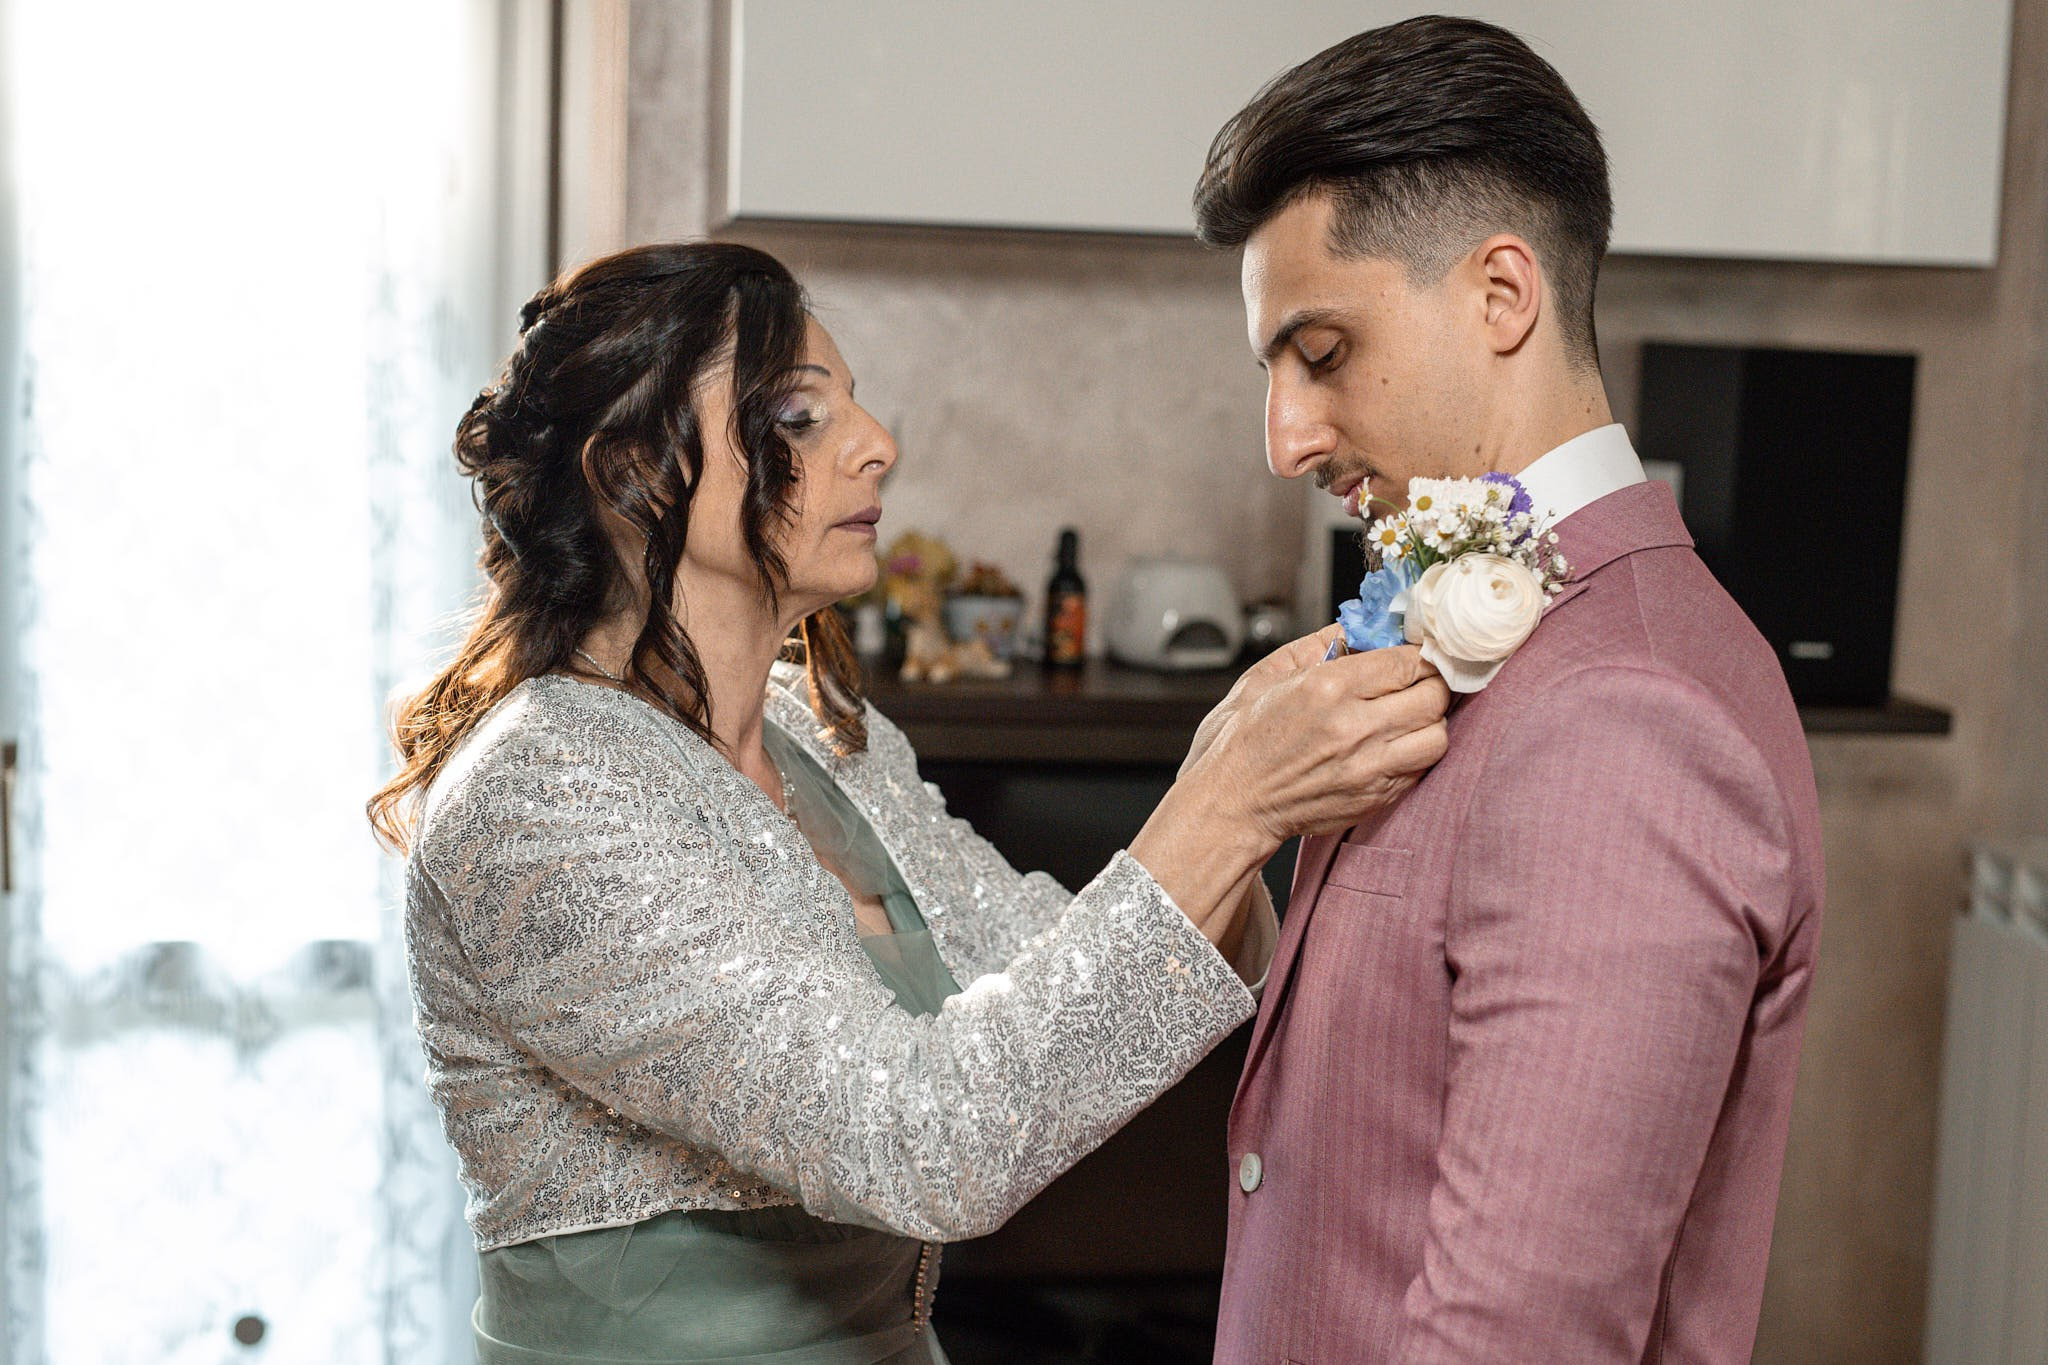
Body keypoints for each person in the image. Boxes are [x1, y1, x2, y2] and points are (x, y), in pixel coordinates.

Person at [366, 241, 1451, 1364]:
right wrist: (1224, 808)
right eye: (795, 417)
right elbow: (925, 1143)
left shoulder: (821, 732)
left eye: (855, 406)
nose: (876, 444)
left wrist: (1240, 765)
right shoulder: (540, 794)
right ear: (631, 471)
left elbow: (1054, 966)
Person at [1193, 17, 1824, 1363]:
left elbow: (1518, 1335)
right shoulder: (1485, 603)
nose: (1286, 436)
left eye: (1319, 351)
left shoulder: (1626, 717)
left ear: (1499, 296)